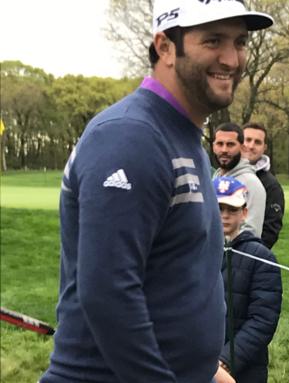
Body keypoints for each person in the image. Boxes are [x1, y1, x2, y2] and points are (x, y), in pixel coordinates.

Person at [40, 1, 274, 382]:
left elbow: (174, 278)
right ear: (165, 47)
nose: (231, 58)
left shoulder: (182, 138)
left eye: (240, 41)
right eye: (213, 40)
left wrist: (206, 369)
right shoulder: (131, 136)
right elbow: (109, 296)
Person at [212, 176, 282, 383]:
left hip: (244, 366)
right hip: (199, 360)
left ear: (244, 213)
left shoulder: (261, 257)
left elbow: (263, 320)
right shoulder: (194, 252)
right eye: (219, 208)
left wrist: (225, 360)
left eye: (232, 210)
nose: (224, 216)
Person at [213, 122, 266, 238]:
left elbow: (251, 232)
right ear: (213, 146)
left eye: (230, 144)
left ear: (242, 148)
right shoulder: (213, 180)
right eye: (220, 144)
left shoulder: (251, 183)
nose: (224, 149)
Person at [242, 122, 285, 249]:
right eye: (247, 140)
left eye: (257, 142)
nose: (251, 146)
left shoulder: (271, 185)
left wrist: (250, 256)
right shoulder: (224, 175)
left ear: (264, 147)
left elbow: (271, 230)